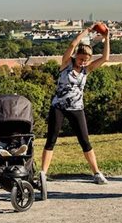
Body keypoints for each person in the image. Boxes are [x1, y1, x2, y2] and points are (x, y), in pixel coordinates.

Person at [39, 25, 111, 185]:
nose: (83, 63)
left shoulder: (86, 70)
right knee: (51, 139)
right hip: (59, 107)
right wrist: (87, 31)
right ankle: (43, 173)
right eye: (80, 59)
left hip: (77, 108)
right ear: (76, 56)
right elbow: (72, 45)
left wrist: (107, 38)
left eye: (86, 60)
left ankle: (96, 172)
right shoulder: (66, 64)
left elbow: (105, 58)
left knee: (85, 141)